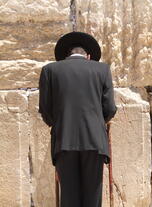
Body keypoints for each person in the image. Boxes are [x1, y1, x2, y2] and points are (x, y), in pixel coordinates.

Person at [39, 31, 117, 207]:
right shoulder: (102, 69)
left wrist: (60, 124)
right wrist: (96, 123)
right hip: (95, 141)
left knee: (69, 196)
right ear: (88, 55)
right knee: (93, 197)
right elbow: (110, 108)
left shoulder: (49, 70)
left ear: (67, 54)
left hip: (64, 141)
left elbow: (45, 110)